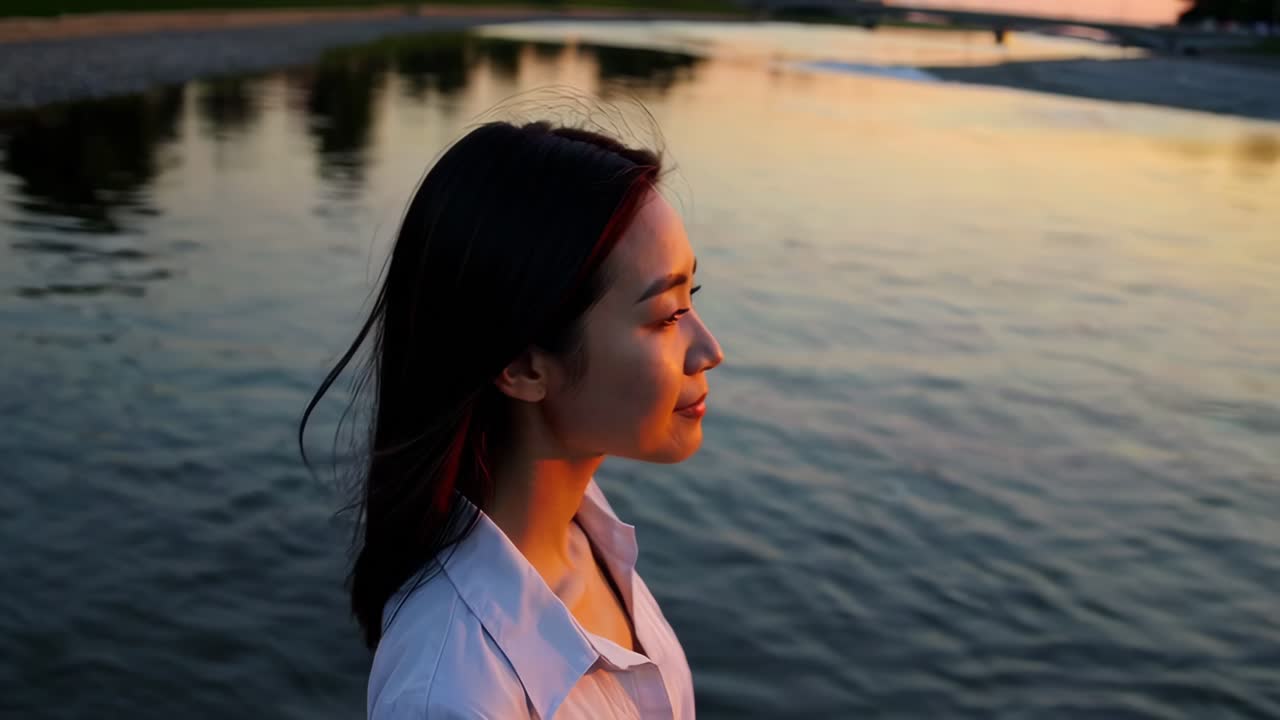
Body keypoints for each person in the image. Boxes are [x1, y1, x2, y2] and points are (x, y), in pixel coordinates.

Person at [300, 118, 724, 719]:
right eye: (664, 315)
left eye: (692, 299)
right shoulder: (455, 695)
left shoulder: (588, 541)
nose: (709, 350)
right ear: (522, 366)